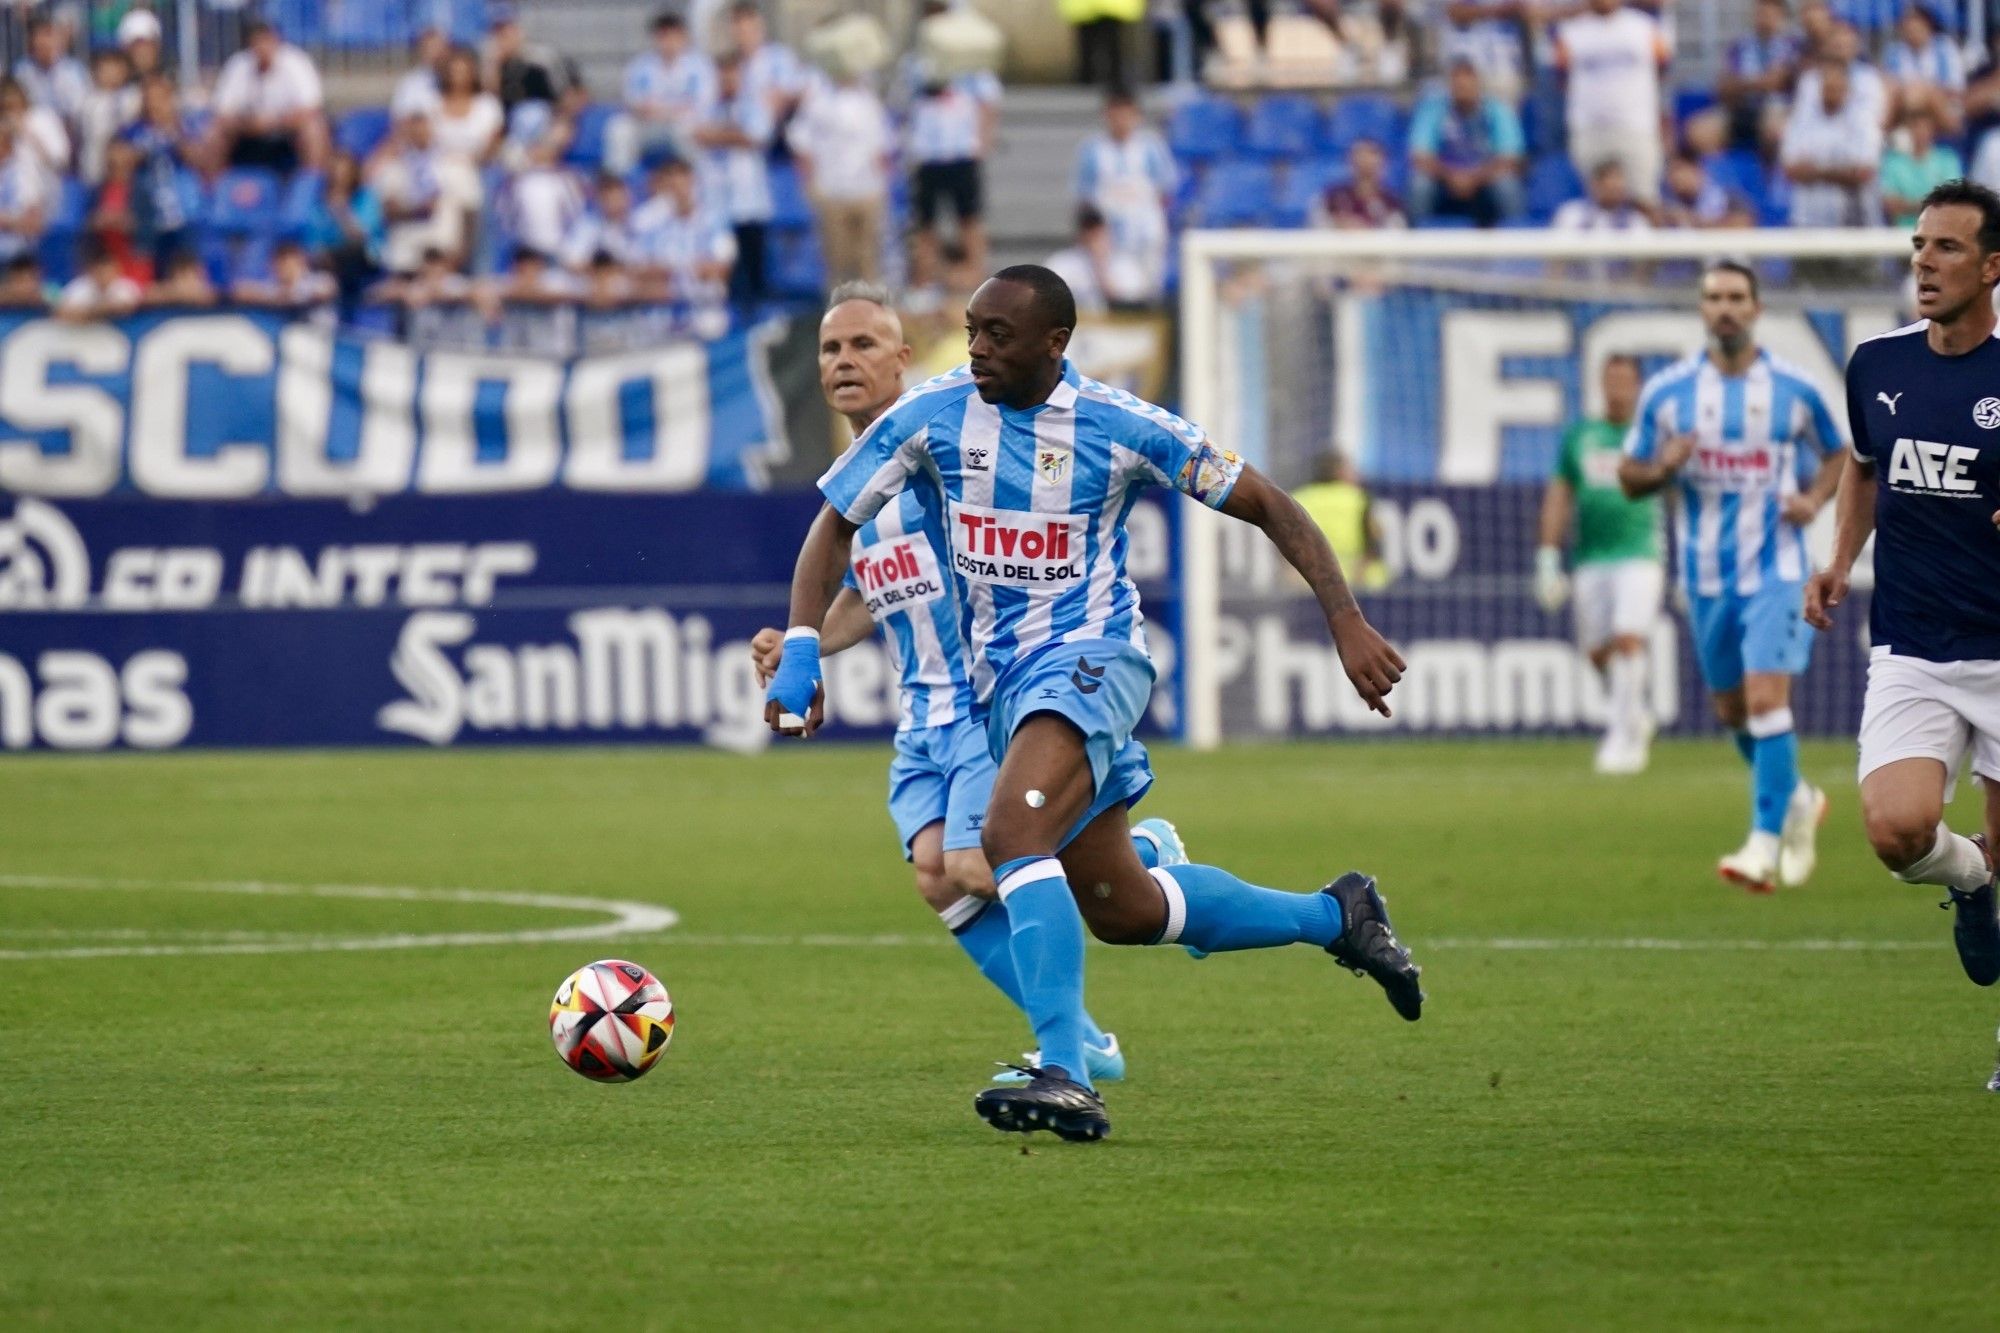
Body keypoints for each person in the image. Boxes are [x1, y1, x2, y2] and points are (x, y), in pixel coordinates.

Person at [764, 265, 1424, 1140]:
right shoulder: (935, 414)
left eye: (999, 335)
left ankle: (1065, 1070)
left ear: (1056, 343)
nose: (978, 350)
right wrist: (804, 643)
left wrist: (1344, 619)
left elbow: (1267, 502)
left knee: (1007, 840)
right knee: (1126, 908)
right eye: (971, 331)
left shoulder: (1120, 426)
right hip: (1003, 692)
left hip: (1092, 662)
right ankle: (1336, 913)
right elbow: (833, 525)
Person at [751, 283, 1177, 1088]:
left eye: (865, 345)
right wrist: (805, 643)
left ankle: (1144, 854)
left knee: (982, 864)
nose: (845, 361)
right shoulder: (862, 479)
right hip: (923, 713)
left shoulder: (945, 449)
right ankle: (1085, 1040)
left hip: (987, 701)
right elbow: (868, 594)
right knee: (935, 877)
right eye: (830, 350)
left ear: (903, 358)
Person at [1804, 181, 2000, 1079]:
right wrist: (1842, 557)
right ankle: (1972, 879)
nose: (1925, 261)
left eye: (1948, 248)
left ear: (1992, 267)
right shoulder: (1876, 364)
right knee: (1895, 829)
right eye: (1920, 245)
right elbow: (1864, 466)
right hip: (1913, 645)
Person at [1618, 262, 1842, 893]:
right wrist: (1662, 466)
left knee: (1768, 700)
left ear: (1757, 307)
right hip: (1706, 576)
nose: (1725, 308)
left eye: (1736, 298)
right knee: (1732, 710)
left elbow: (1839, 454)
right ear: (1701, 309)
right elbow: (1628, 477)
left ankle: (1761, 845)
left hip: (1778, 568)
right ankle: (1797, 798)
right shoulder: (1668, 393)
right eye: (1714, 297)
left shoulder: (1795, 389)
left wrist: (1814, 501)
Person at [1537, 355, 1663, 774]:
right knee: (1597, 652)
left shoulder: (1650, 436)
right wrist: (1548, 556)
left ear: (1638, 386)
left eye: (1626, 380)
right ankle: (1635, 712)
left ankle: (1623, 739)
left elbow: (1678, 494)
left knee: (1629, 639)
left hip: (1641, 552)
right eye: (1611, 380)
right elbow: (1559, 494)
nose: (1617, 388)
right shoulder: (1581, 436)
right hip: (1591, 556)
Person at [1554, 0, 1670, 207]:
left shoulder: (1644, 27)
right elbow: (1561, 78)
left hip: (1635, 126)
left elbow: (1663, 69)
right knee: (1592, 203)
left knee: (1644, 200)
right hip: (1589, 128)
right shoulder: (1571, 31)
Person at [786, 69, 891, 286]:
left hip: (867, 190)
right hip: (832, 190)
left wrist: (882, 187)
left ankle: (870, 314)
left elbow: (882, 147)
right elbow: (800, 143)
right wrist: (809, 185)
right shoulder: (818, 100)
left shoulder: (868, 101)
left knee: (868, 259)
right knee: (837, 262)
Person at [904, 60, 999, 292]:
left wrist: (983, 141)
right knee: (926, 223)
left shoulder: (972, 64)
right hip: (929, 155)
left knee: (969, 219)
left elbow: (989, 101)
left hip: (961, 152)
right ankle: (923, 282)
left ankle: (978, 279)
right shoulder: (918, 63)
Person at [1072, 89, 1176, 298]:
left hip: (1146, 234)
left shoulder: (1151, 148)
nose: (1121, 120)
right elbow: (1083, 198)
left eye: (1126, 113)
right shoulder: (1092, 150)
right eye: (1115, 114)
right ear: (1106, 115)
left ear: (1136, 115)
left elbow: (1166, 191)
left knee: (1148, 290)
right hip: (1109, 238)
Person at [695, 53, 775, 308]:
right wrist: (734, 135)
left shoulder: (754, 105)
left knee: (754, 275)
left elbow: (756, 137)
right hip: (718, 205)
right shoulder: (708, 106)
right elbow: (697, 135)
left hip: (750, 203)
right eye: (723, 75)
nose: (727, 81)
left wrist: (719, 135)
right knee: (726, 275)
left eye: (732, 75)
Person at [1407, 59, 1526, 227]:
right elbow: (1420, 157)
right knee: (1420, 185)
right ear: (1450, 87)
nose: (1463, 90)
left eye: (1468, 85)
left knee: (1507, 186)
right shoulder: (1433, 109)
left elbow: (1511, 159)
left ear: (1477, 85)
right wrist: (1451, 177)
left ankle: (1517, 246)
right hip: (1444, 182)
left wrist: (1473, 179)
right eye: (1458, 86)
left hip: (1486, 181)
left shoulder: (1498, 110)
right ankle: (1415, 247)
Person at [207, 20, 329, 175]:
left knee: (314, 129)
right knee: (214, 132)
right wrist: (247, 124)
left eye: (266, 41)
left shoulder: (296, 62)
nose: (262, 48)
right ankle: (213, 190)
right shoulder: (239, 64)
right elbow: (221, 111)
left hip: (287, 128)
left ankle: (311, 186)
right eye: (257, 42)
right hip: (246, 129)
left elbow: (312, 107)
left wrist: (274, 122)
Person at [1781, 53, 1884, 228]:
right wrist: (1841, 172)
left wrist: (1815, 172)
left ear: (1847, 89)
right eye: (1827, 87)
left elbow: (1863, 173)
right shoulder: (1801, 120)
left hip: (1855, 222)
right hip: (1808, 221)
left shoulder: (1864, 121)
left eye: (1837, 87)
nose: (1831, 93)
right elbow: (1790, 170)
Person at [616, 11, 718, 175]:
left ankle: (693, 180)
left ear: (683, 36)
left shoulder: (700, 66)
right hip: (649, 125)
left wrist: (664, 110)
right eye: (663, 36)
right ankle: (620, 182)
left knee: (687, 129)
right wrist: (666, 110)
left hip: (683, 124)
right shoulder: (640, 66)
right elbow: (633, 102)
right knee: (620, 129)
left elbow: (702, 104)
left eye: (673, 36)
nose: (668, 42)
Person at [1292, 450, 1386, 590]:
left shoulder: (1298, 499)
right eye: (1350, 468)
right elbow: (1373, 546)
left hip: (1310, 582)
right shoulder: (1359, 499)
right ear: (1340, 472)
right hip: (1358, 583)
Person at [1719, 0, 1802, 150]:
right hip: (1742, 108)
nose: (1765, 19)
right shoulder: (1739, 47)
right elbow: (1726, 87)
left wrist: (1745, 83)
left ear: (1782, 17)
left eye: (1770, 14)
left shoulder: (1794, 46)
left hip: (1780, 109)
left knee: (1773, 129)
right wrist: (1761, 82)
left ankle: (1770, 173)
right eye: (1761, 13)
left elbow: (1782, 82)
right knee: (1700, 132)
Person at [1042, 204, 1152, 311]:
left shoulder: (1125, 265)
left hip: (1115, 327)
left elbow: (1131, 307)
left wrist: (1100, 266)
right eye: (1087, 228)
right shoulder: (1061, 263)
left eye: (1096, 228)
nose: (1091, 234)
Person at [1880, 108, 1962, 229]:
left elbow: (1952, 202)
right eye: (1915, 127)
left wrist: (1907, 206)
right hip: (1902, 234)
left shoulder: (1947, 160)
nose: (1920, 132)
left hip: (1939, 232)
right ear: (1908, 130)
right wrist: (1931, 205)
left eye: (1925, 127)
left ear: (1933, 130)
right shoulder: (1893, 162)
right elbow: (1890, 204)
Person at [14, 15, 88, 126]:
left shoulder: (74, 69)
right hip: (33, 126)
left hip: (67, 127)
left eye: (48, 35)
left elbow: (78, 109)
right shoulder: (22, 69)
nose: (42, 41)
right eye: (37, 36)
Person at [1317, 138, 1405, 229]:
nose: (1365, 160)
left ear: (1383, 162)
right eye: (1359, 154)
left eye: (1371, 154)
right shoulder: (1332, 196)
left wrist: (1366, 231)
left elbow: (1396, 234)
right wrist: (1337, 226)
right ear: (1350, 160)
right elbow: (1315, 227)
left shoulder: (1391, 203)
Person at [1551, 159, 1653, 231]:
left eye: (1619, 187)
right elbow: (1556, 258)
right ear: (1595, 184)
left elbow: (1643, 260)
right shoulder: (1571, 214)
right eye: (1611, 187)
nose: (1616, 190)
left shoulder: (1635, 221)